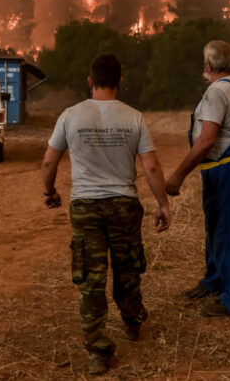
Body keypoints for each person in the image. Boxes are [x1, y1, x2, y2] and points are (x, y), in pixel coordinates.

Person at [41, 54, 171, 376]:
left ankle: (97, 351)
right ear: (119, 81)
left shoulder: (71, 116)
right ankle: (131, 322)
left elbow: (48, 162)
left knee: (91, 278)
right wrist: (163, 203)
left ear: (90, 81)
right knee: (127, 267)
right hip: (123, 204)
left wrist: (50, 192)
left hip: (85, 207)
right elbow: (151, 166)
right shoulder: (134, 117)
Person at [165, 39, 230, 317]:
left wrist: (178, 174)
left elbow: (206, 141)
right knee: (217, 227)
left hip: (224, 168)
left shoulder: (216, 93)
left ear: (209, 65)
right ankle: (214, 280)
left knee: (228, 231)